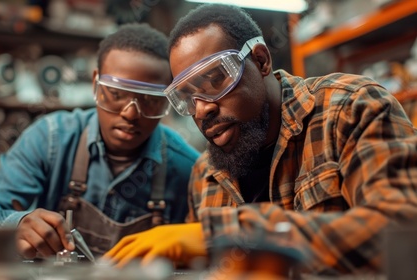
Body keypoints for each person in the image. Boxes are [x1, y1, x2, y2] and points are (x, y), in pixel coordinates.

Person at [105, 4, 417, 275]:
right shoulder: (205, 175)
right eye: (187, 97)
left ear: (261, 60)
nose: (202, 110)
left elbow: (403, 234)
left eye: (215, 79)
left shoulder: (349, 109)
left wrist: (224, 235)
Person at [0, 23, 200, 259]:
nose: (130, 113)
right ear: (96, 84)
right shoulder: (51, 139)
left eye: (149, 100)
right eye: (116, 94)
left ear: (168, 98)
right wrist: (18, 223)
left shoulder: (187, 168)